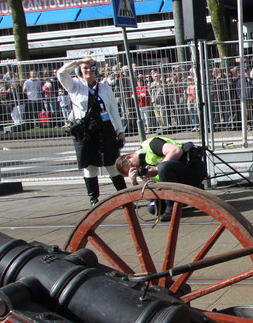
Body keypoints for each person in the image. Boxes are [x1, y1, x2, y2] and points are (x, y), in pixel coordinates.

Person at [57, 57, 127, 205]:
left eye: (91, 67)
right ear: (80, 71)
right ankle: (94, 200)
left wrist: (120, 131)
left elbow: (113, 111)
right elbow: (61, 73)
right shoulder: (74, 86)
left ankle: (124, 198)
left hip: (105, 130)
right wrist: (78, 61)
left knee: (112, 164)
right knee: (90, 166)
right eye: (85, 68)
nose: (89, 70)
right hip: (85, 133)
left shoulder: (105, 88)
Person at [115, 136, 208, 219]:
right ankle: (186, 198)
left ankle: (172, 209)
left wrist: (157, 169)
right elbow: (150, 197)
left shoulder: (150, 145)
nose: (136, 169)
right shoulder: (141, 168)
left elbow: (176, 151)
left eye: (132, 166)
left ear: (128, 157)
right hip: (178, 182)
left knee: (163, 167)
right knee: (153, 207)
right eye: (133, 171)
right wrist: (134, 182)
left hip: (193, 169)